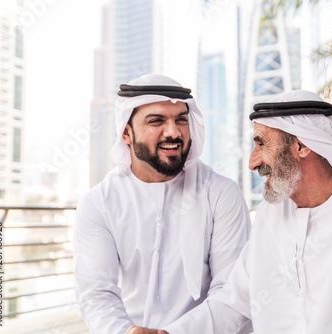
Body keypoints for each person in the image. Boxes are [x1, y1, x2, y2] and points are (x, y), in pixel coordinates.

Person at [128, 90, 332, 334]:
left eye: (261, 144)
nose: (252, 162)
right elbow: (235, 303)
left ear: (301, 145)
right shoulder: (272, 213)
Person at [73, 74, 251, 334]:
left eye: (181, 119)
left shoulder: (222, 194)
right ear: (126, 133)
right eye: (157, 121)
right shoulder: (99, 203)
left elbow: (233, 291)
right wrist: (123, 332)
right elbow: (96, 292)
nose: (174, 132)